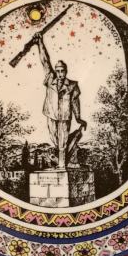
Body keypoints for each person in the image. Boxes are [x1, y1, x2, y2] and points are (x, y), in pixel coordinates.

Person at [32, 33, 87, 168]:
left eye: (62, 71)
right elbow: (45, 60)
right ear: (55, 71)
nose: (60, 73)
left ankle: (62, 165)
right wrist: (40, 43)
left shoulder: (72, 85)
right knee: (54, 139)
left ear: (66, 71)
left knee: (62, 141)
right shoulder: (50, 79)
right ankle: (66, 157)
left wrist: (78, 118)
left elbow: (75, 102)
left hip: (64, 116)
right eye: (58, 71)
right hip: (51, 114)